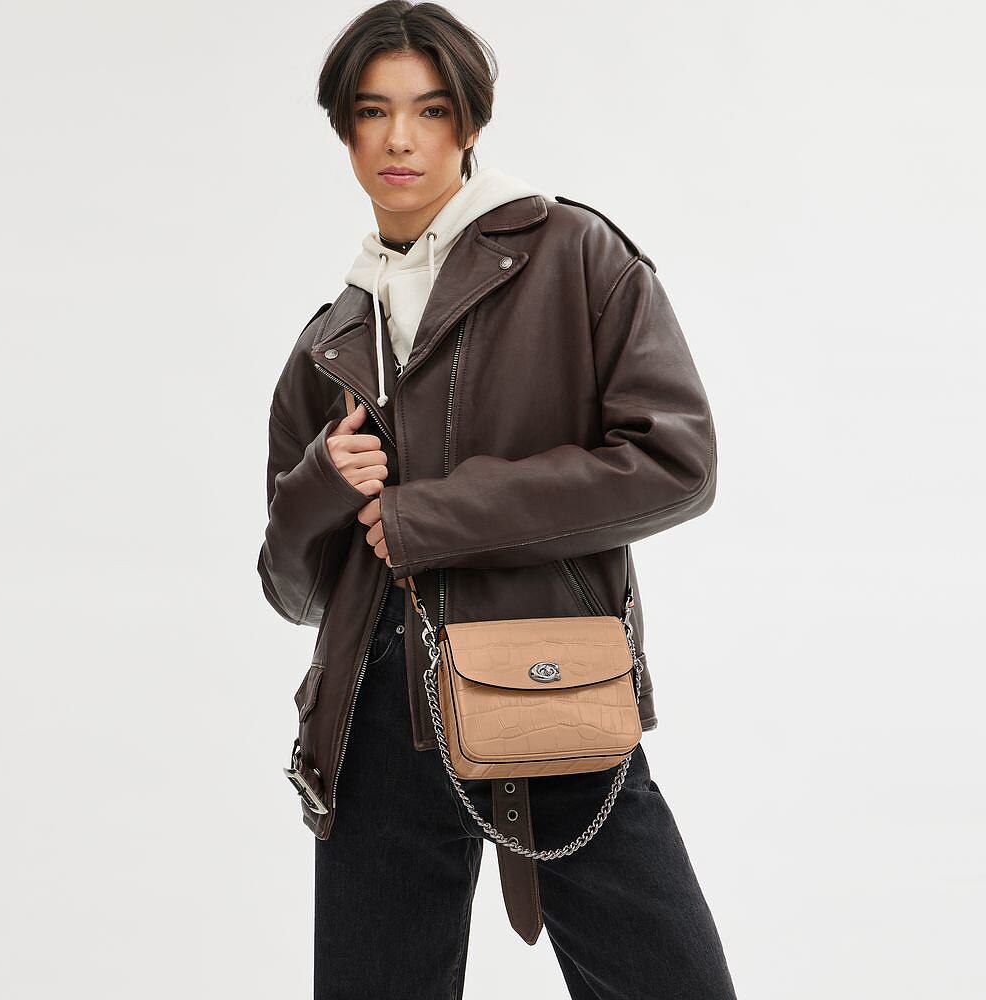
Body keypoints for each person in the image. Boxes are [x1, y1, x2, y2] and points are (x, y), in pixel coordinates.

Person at [257, 3, 739, 997]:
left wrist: (430, 518)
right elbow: (293, 591)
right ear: (344, 130)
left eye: (429, 110)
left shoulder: (575, 256)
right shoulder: (331, 338)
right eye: (373, 112)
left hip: (549, 690)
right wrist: (319, 484)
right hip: (374, 724)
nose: (400, 138)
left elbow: (676, 461)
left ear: (469, 123)